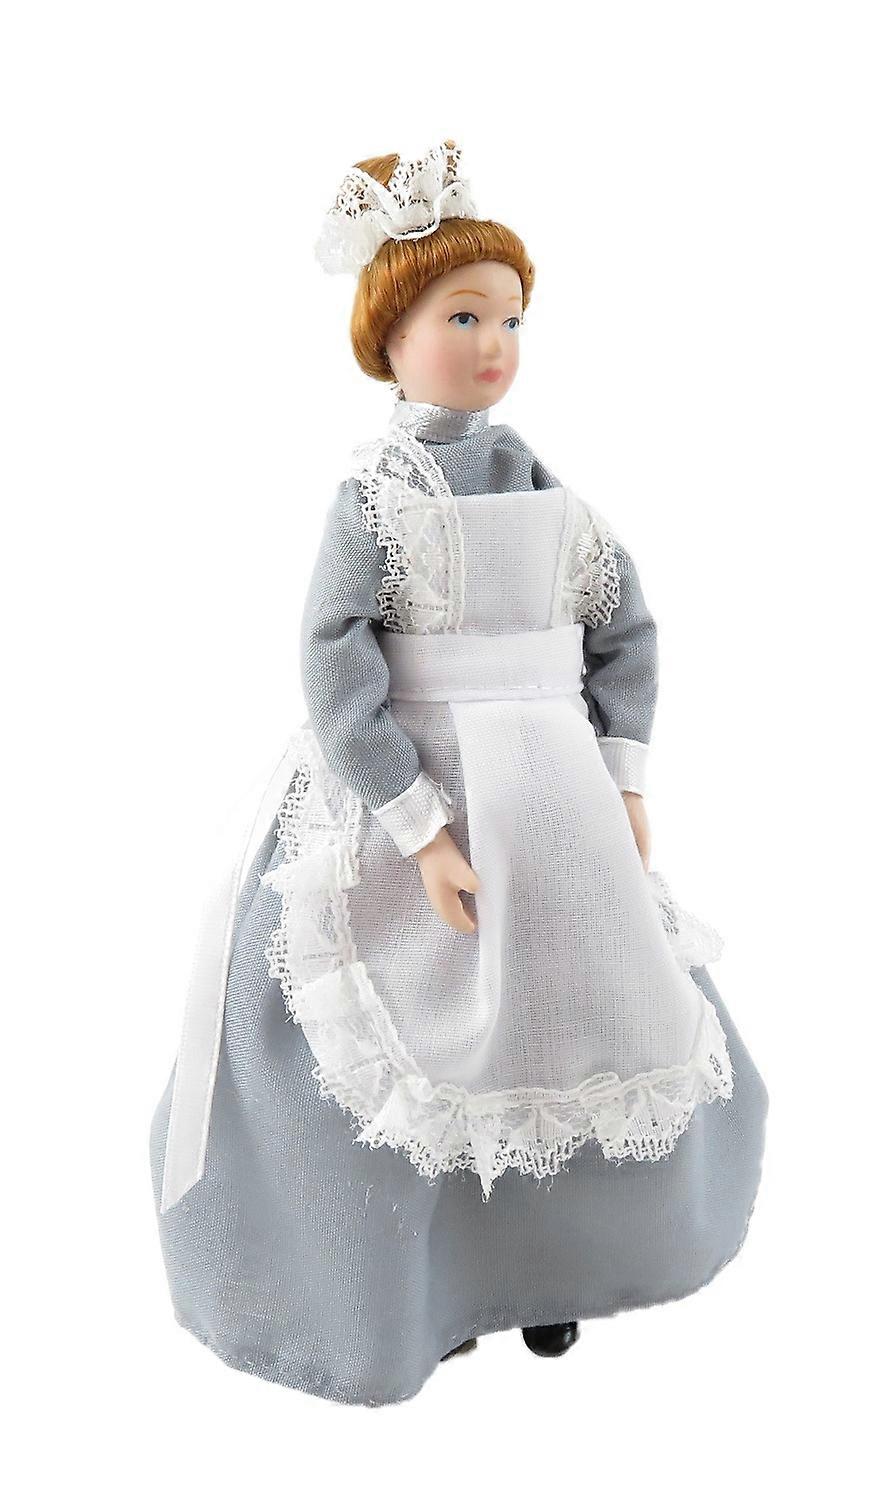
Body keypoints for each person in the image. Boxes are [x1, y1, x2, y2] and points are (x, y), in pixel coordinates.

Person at [150, 139, 768, 1406]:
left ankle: (551, 1271)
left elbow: (623, 629)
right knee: (388, 1047)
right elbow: (333, 661)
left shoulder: (548, 490)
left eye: (510, 320)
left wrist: (623, 777)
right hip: (413, 798)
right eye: (463, 317)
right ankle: (416, 1293)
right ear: (390, 337)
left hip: (552, 805)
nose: (493, 345)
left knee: (576, 1027)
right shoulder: (374, 502)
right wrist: (418, 825)